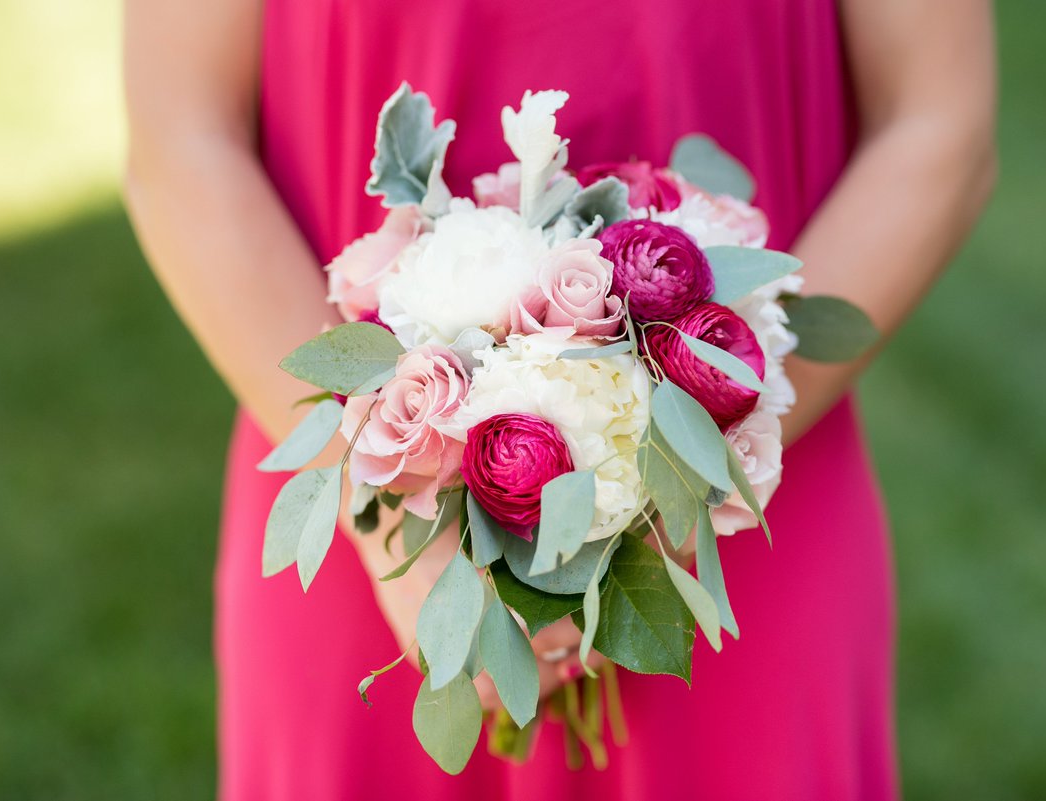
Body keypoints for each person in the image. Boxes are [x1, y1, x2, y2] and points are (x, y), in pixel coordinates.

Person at [123, 0, 996, 798]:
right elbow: (183, 133)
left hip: (739, 527)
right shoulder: (383, 531)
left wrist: (674, 469)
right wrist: (393, 516)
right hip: (371, 539)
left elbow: (938, 125)